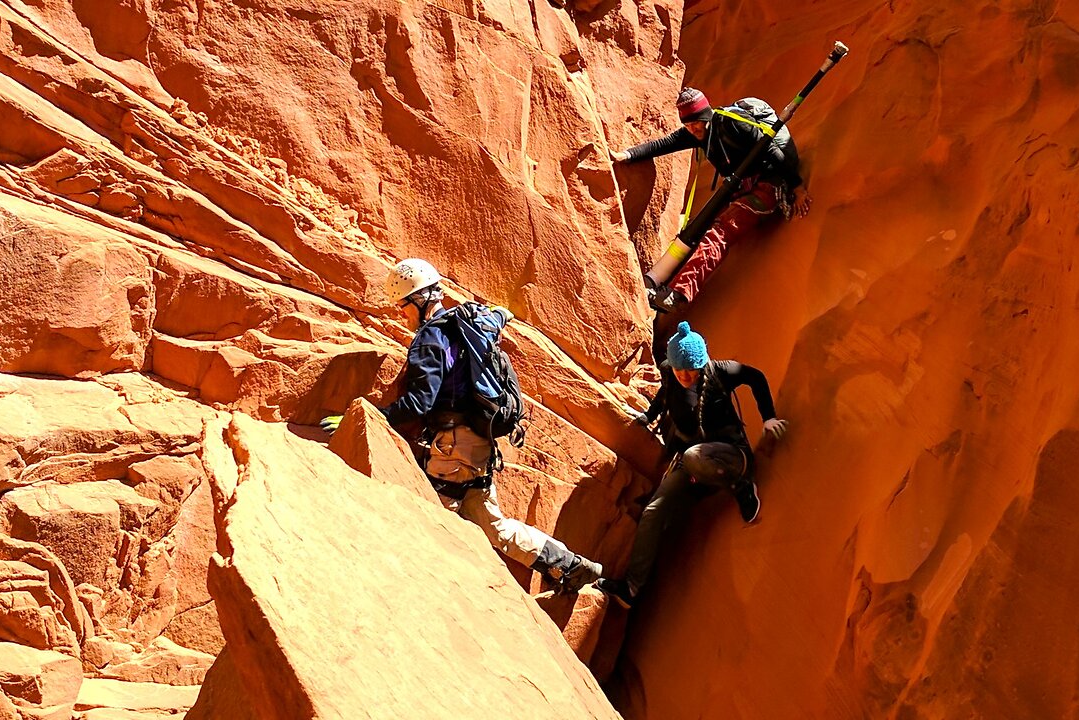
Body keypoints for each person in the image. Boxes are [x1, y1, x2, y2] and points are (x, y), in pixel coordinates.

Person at [321, 259, 602, 591]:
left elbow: (420, 402)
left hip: (453, 452)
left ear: (417, 300)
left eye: (403, 307)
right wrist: (502, 313)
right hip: (478, 446)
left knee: (429, 522)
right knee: (495, 529)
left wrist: (366, 415)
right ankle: (572, 566)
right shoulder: (470, 323)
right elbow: (497, 318)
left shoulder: (429, 339)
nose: (403, 315)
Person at [596, 321, 788, 607]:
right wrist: (649, 416)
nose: (686, 376)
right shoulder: (671, 373)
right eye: (679, 369)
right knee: (652, 512)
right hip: (692, 463)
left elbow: (756, 377)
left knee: (693, 457)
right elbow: (665, 395)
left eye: (692, 369)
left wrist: (768, 417)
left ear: (703, 362)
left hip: (732, 456)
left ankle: (742, 487)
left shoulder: (720, 372)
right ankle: (631, 589)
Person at [612, 87, 812, 313]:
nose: (692, 128)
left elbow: (774, 152)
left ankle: (676, 294)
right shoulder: (698, 132)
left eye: (695, 122)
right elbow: (663, 144)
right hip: (741, 188)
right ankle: (656, 282)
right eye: (687, 124)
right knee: (696, 229)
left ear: (705, 115)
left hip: (770, 185)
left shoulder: (733, 123)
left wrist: (797, 186)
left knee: (721, 231)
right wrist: (627, 155)